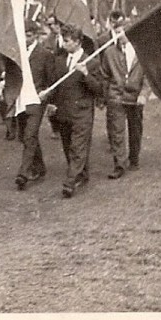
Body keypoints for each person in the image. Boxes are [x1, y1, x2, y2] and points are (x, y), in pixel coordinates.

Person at [46, 24, 101, 198]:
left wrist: (86, 74)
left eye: (67, 41)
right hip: (64, 112)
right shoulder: (60, 60)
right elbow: (56, 85)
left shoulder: (91, 61)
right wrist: (49, 98)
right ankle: (82, 173)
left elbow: (99, 89)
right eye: (63, 40)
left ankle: (70, 183)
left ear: (77, 42)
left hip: (82, 112)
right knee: (68, 146)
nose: (64, 43)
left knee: (78, 147)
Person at [99, 18, 150, 179]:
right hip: (116, 97)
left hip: (135, 97)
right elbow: (105, 76)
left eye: (121, 31)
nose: (118, 35)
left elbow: (148, 77)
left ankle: (134, 159)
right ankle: (119, 164)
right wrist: (105, 96)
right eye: (116, 31)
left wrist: (143, 94)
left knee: (135, 129)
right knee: (116, 131)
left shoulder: (143, 52)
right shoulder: (109, 53)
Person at [14, 21, 57, 191]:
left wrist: (47, 94)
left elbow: (52, 81)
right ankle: (40, 167)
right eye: (23, 35)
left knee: (30, 135)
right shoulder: (17, 53)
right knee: (26, 135)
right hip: (20, 99)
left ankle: (23, 174)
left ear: (36, 35)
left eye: (29, 35)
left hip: (36, 100)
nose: (25, 39)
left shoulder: (44, 54)